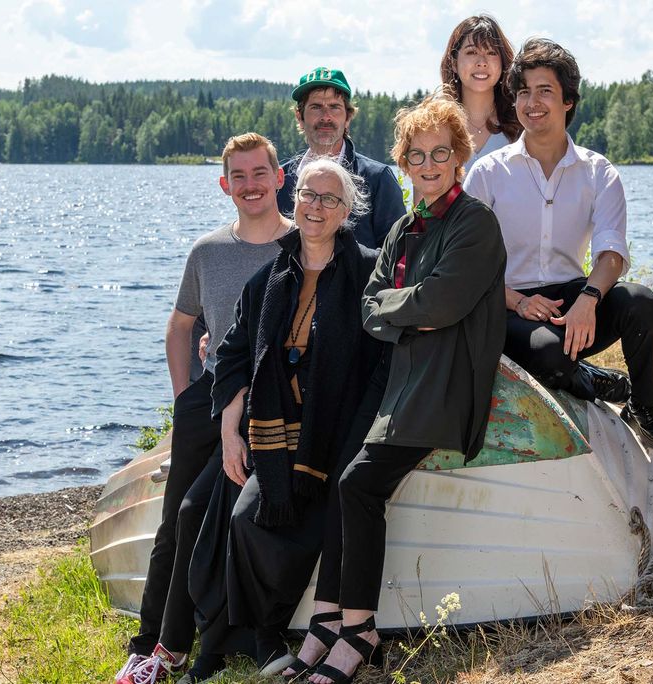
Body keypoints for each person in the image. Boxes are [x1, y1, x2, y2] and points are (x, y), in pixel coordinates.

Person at [306, 93, 507, 684]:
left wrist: (405, 310)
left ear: (459, 157)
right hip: (403, 383)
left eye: (439, 153)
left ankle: (360, 630)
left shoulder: (475, 223)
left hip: (445, 385)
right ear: (403, 162)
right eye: (416, 155)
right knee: (343, 475)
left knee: (359, 484)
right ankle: (331, 621)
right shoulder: (402, 226)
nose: (427, 164)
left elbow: (442, 305)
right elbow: (371, 311)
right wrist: (406, 310)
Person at [196, 158, 384, 680]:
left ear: (347, 211)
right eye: (307, 195)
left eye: (329, 199)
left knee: (321, 515)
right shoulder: (270, 278)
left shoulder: (367, 272)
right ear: (292, 200)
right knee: (243, 519)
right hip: (278, 436)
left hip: (340, 430)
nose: (315, 207)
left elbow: (388, 354)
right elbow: (232, 355)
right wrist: (231, 430)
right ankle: (266, 634)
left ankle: (318, 627)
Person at [115, 133, 291, 684]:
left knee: (207, 514)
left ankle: (205, 639)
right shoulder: (207, 252)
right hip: (209, 398)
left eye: (259, 173)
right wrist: (184, 396)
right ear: (224, 186)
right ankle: (149, 644)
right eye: (238, 177)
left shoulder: (300, 245)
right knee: (173, 523)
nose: (250, 185)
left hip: (269, 405)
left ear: (279, 177)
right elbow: (180, 325)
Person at [464, 38, 653, 451]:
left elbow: (611, 252)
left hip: (573, 298)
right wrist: (517, 302)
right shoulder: (487, 173)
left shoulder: (599, 172)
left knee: (643, 304)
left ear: (568, 100)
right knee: (550, 356)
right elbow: (468, 261)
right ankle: (591, 377)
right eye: (523, 91)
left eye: (545, 90)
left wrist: (589, 299)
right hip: (506, 303)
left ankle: (645, 406)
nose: (532, 102)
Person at [277, 67, 406, 249]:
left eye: (334, 107)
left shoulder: (377, 179)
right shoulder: (280, 180)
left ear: (348, 117)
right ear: (300, 116)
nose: (326, 117)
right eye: (316, 107)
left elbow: (398, 254)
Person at [440, 14, 522, 171]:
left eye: (491, 53)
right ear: (454, 63)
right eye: (471, 52)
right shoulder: (436, 127)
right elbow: (424, 194)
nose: (482, 62)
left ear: (503, 63)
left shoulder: (521, 125)